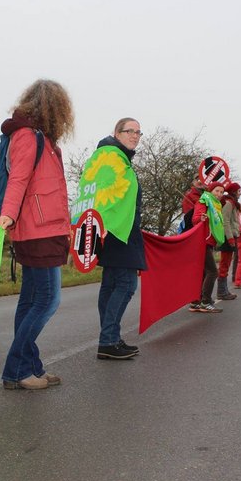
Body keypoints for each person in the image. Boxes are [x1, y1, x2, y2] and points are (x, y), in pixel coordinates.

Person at [0, 80, 74, 390]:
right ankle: (16, 370)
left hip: (46, 229)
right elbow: (18, 179)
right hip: (37, 231)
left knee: (30, 302)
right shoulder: (27, 136)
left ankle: (30, 366)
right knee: (48, 301)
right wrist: (8, 214)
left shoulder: (45, 140)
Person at [94, 119, 145, 360]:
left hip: (115, 230)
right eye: (130, 131)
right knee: (125, 285)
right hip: (118, 231)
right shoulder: (112, 158)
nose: (135, 136)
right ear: (116, 133)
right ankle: (108, 340)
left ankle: (109, 338)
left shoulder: (115, 158)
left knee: (111, 285)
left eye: (138, 132)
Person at [188, 182, 225, 313]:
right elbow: (195, 218)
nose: (219, 194)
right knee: (213, 271)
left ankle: (195, 301)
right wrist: (201, 218)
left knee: (204, 272)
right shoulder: (204, 200)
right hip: (203, 240)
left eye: (221, 192)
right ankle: (205, 301)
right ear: (211, 190)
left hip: (209, 241)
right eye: (217, 191)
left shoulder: (216, 204)